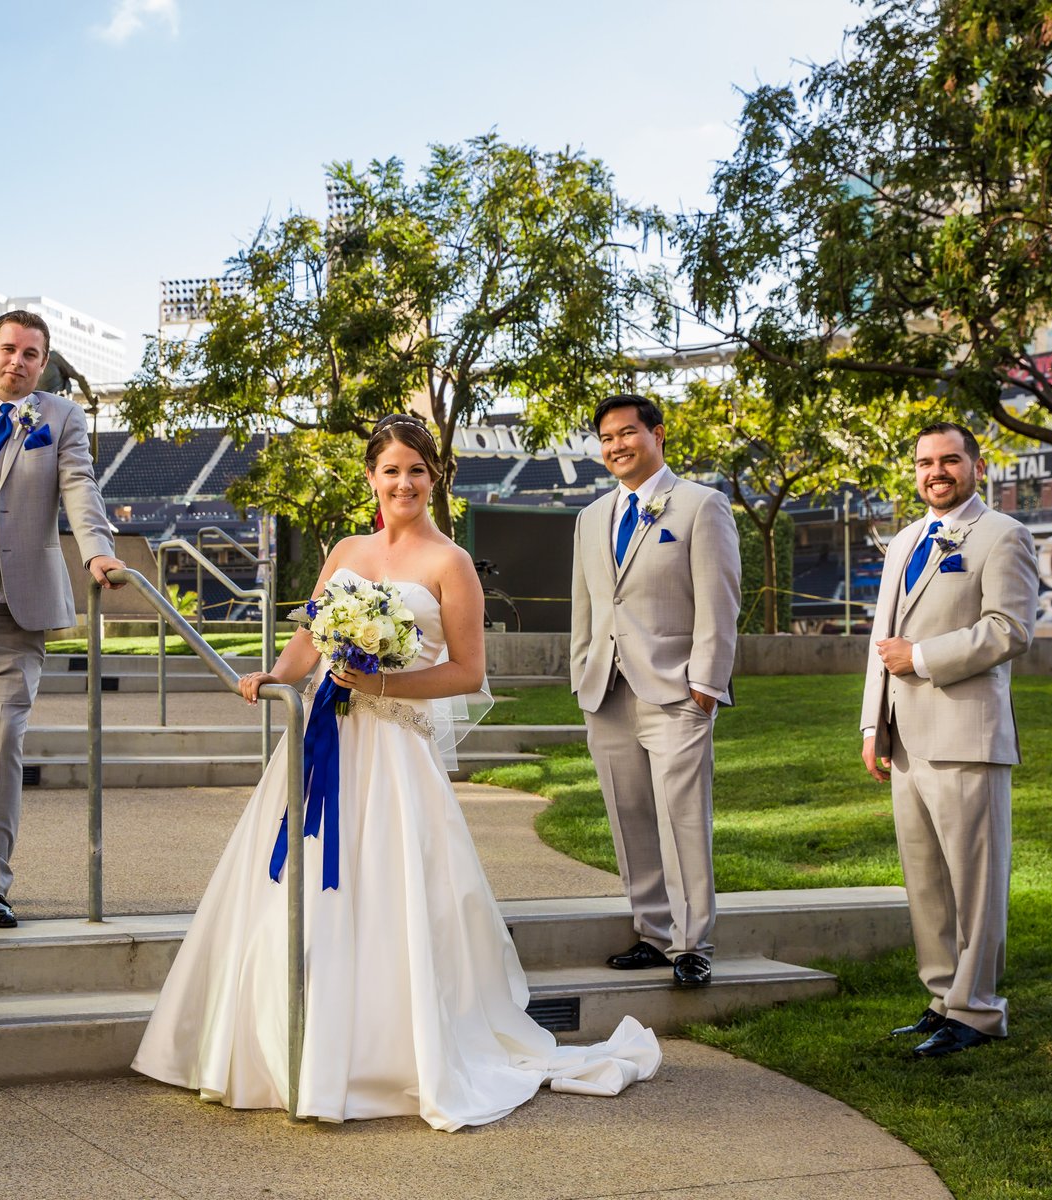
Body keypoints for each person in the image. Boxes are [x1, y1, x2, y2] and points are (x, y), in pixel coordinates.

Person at [132, 414, 661, 1130]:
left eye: (416, 470)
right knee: (295, 886)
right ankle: (283, 1046)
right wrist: (276, 677)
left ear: (434, 477)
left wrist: (381, 684)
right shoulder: (347, 550)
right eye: (391, 471)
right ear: (371, 478)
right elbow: (309, 637)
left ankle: (383, 1057)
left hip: (394, 752)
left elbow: (467, 671)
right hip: (326, 740)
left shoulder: (451, 563)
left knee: (386, 889)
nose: (403, 483)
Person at [0, 310, 126, 929]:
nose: (18, 361)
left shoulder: (61, 418)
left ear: (43, 362)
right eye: (9, 349)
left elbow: (80, 487)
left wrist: (96, 549)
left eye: (31, 354)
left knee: (3, 743)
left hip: (18, 616)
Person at [861, 421, 1037, 1059]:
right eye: (925, 462)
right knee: (927, 881)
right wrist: (872, 725)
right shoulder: (906, 540)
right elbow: (881, 641)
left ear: (977, 467)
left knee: (975, 883)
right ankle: (942, 999)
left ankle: (978, 1009)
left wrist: (923, 657)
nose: (936, 471)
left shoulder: (1004, 535)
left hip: (967, 735)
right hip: (906, 738)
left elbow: (1009, 629)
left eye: (950, 460)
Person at [568, 395, 741, 988]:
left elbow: (720, 602)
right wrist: (582, 672)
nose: (616, 445)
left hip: (676, 690)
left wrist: (706, 685)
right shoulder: (591, 517)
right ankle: (653, 932)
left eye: (627, 432)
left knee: (683, 819)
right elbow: (587, 606)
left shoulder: (702, 505)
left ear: (657, 434)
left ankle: (693, 944)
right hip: (606, 690)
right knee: (630, 815)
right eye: (606, 437)